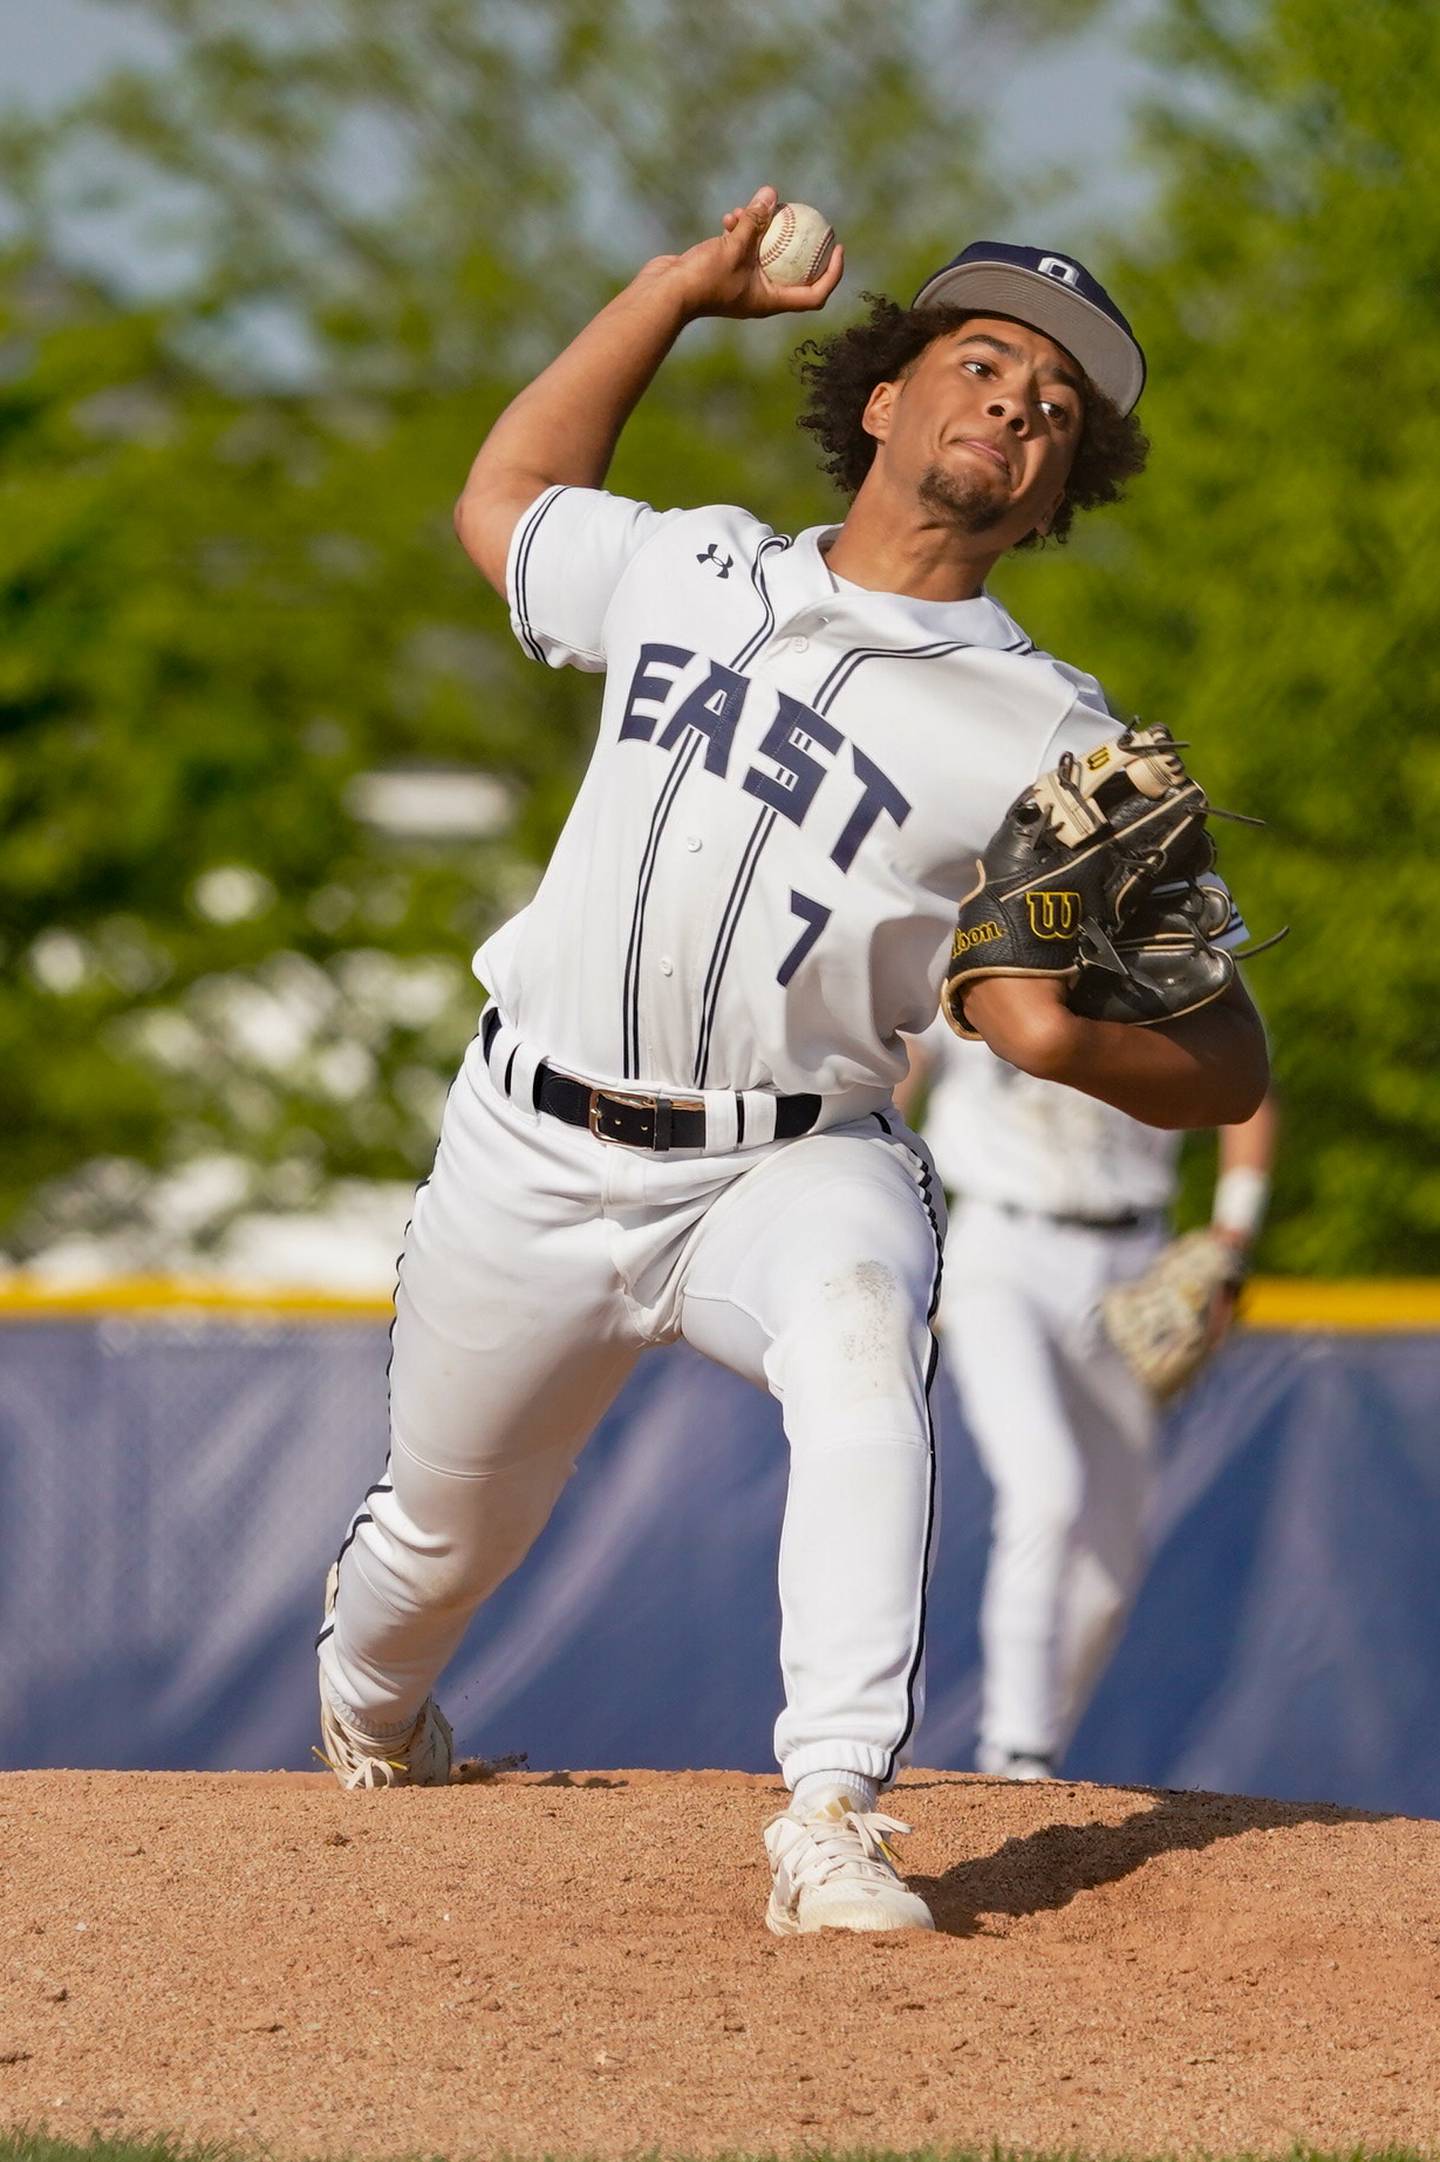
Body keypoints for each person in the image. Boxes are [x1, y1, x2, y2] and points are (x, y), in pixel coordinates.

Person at [314, 186, 1270, 1937]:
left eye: (1057, 412)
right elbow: (502, 499)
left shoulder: (1058, 732)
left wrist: (1071, 1035)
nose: (1017, 404)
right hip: (526, 1146)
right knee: (432, 1555)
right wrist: (671, 291)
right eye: (980, 362)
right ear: (885, 396)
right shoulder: (693, 566)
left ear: (1058, 494)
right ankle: (378, 1718)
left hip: (788, 1156)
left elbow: (1228, 1052)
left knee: (856, 1345)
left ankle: (831, 1806)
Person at [901, 1021, 1278, 1779]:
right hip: (1000, 1249)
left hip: (1132, 1263)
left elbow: (1251, 1092)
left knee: (1107, 1570)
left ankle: (1035, 1758)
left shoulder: (1164, 946)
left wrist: (1233, 1237)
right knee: (1044, 1490)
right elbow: (900, 1066)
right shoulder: (982, 929)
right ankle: (1017, 1752)